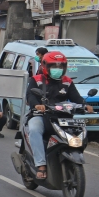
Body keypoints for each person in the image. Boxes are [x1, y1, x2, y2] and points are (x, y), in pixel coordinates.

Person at [26, 51, 93, 179]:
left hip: (62, 117)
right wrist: (37, 105)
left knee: (78, 131)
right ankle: (41, 165)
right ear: (45, 66)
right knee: (35, 130)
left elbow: (76, 98)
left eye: (61, 66)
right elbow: (30, 95)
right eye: (54, 66)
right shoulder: (36, 80)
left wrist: (85, 105)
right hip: (40, 115)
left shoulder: (67, 82)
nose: (58, 69)